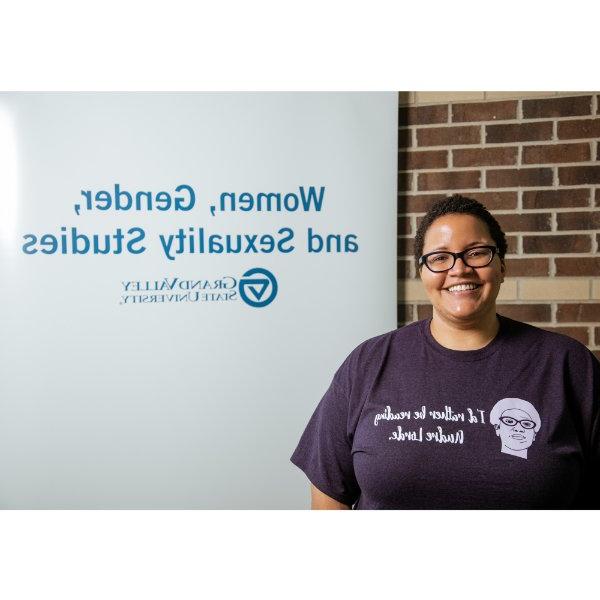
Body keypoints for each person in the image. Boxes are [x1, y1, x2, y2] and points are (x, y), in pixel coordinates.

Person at [290, 194, 600, 509]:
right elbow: (330, 500)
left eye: (477, 253)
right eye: (440, 258)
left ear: (501, 266)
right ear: (422, 272)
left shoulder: (569, 365)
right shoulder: (368, 363)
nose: (459, 269)